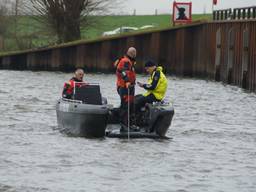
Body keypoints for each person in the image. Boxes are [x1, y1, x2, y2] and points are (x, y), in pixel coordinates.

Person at [115, 47, 138, 132]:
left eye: (135, 52)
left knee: (131, 105)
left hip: (130, 87)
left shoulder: (131, 62)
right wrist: (127, 81)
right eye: (133, 52)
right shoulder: (125, 61)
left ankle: (131, 124)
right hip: (124, 87)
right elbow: (123, 71)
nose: (135, 54)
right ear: (130, 53)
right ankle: (124, 125)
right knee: (125, 105)